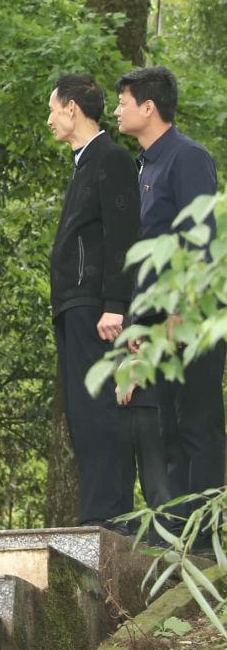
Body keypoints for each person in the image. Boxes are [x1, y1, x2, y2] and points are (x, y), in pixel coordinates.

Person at [115, 66, 223, 536]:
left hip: (193, 317)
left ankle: (208, 536)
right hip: (157, 325)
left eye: (123, 103)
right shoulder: (144, 165)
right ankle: (181, 534)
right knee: (169, 431)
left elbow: (200, 238)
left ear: (149, 107)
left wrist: (183, 310)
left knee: (198, 424)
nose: (116, 111)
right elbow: (147, 254)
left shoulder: (187, 157)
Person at [46, 74, 137, 528]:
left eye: (52, 110)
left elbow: (124, 234)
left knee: (99, 406)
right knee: (82, 411)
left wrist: (115, 303)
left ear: (72, 108)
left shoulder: (111, 159)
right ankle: (98, 511)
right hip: (74, 306)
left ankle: (110, 514)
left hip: (96, 306)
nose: (49, 120)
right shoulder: (83, 163)